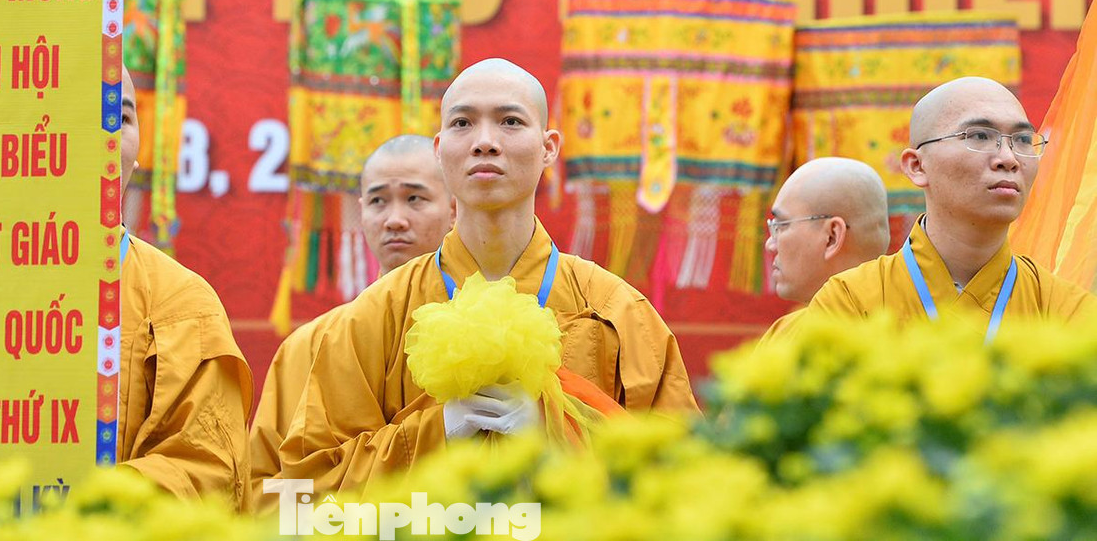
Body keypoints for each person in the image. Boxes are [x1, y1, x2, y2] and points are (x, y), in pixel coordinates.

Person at [277, 59, 698, 495]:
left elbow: (684, 479)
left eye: (510, 121)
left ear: (549, 147)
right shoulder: (374, 317)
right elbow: (303, 491)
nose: (484, 142)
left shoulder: (615, 313)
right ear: (439, 148)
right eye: (462, 123)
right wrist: (434, 432)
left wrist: (554, 429)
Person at [0, 65, 253, 505]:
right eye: (79, 114)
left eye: (121, 118)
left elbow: (206, 470)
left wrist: (72, 503)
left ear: (136, 154)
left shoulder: (179, 303)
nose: (104, 135)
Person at [247, 134, 454, 508]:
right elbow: (262, 493)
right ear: (361, 212)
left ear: (454, 208)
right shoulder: (309, 346)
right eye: (378, 201)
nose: (394, 219)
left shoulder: (480, 335)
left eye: (415, 199)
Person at [803, 77, 1095, 329]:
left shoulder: (1067, 311)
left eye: (1022, 140)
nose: (1008, 158)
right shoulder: (850, 302)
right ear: (917, 166)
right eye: (980, 136)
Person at [759, 158, 891, 342]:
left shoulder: (889, 338)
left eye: (781, 225)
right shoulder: (781, 332)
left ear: (832, 237)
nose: (770, 245)